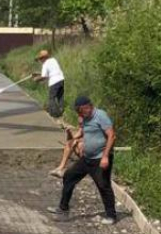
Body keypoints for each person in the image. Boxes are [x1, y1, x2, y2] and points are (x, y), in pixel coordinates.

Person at [47, 96, 118, 225]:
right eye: (78, 112)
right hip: (87, 159)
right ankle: (63, 209)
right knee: (69, 176)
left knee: (103, 185)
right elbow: (82, 134)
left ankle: (111, 215)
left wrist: (105, 156)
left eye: (81, 111)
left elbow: (112, 136)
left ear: (88, 106)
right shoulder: (85, 118)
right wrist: (71, 134)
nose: (80, 115)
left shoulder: (101, 116)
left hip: (100, 158)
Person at [32, 49, 65, 118]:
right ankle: (61, 111)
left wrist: (36, 79)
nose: (40, 61)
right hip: (61, 79)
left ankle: (55, 114)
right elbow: (50, 72)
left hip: (54, 81)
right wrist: (37, 73)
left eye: (40, 59)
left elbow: (44, 76)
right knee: (60, 96)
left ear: (44, 58)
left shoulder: (45, 64)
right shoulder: (53, 60)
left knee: (51, 98)